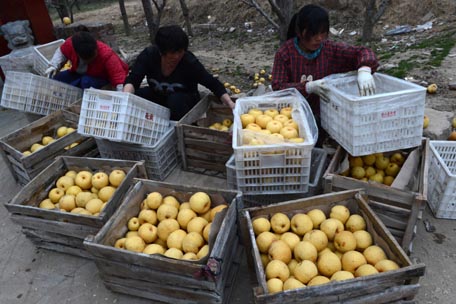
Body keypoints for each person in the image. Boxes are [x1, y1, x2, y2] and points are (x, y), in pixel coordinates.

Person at [271, 4, 379, 145]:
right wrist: (307, 87)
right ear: (300, 31)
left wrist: (365, 68)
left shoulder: (329, 50)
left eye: (323, 33)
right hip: (292, 119)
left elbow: (363, 52)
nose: (319, 38)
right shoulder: (285, 54)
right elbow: (278, 86)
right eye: (314, 33)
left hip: (326, 116)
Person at [123, 25, 235, 120]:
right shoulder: (149, 56)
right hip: (159, 96)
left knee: (175, 100)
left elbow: (211, 82)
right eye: (172, 53)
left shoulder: (189, 61)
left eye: (180, 52)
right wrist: (125, 100)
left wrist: (230, 102)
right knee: (137, 96)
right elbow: (133, 80)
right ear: (162, 52)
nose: (177, 56)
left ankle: (178, 127)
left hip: (185, 101)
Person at [46, 28, 129, 90]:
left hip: (101, 78)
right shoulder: (70, 44)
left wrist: (121, 96)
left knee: (86, 82)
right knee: (59, 78)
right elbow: (61, 52)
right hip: (79, 73)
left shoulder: (107, 55)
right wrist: (54, 65)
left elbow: (119, 79)